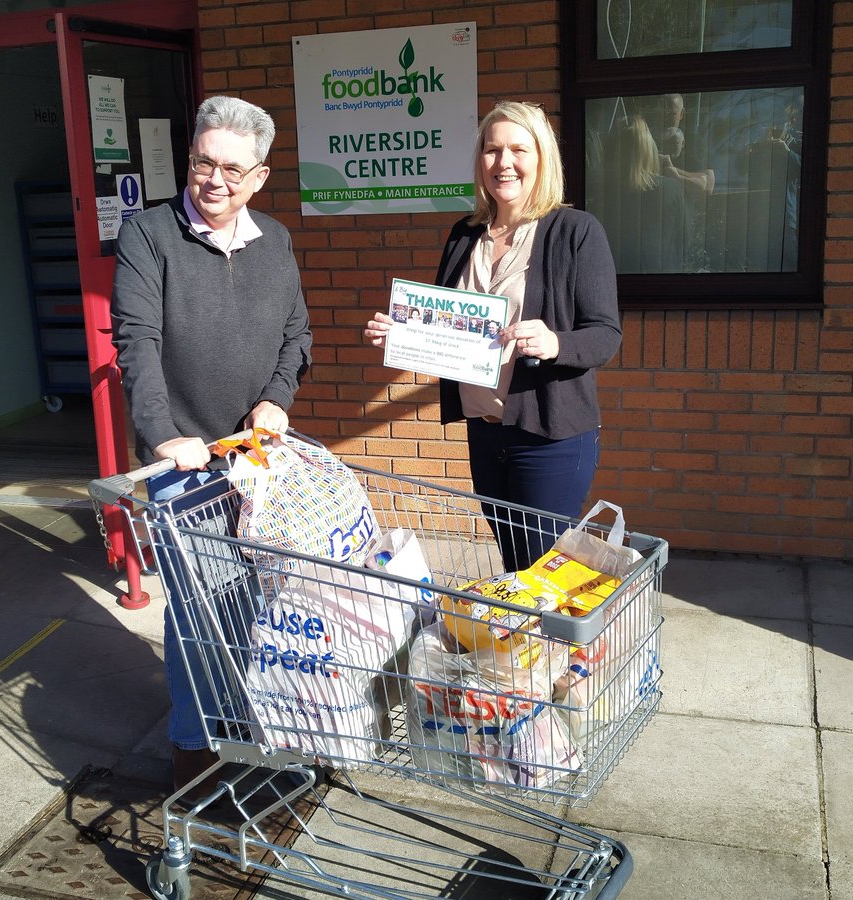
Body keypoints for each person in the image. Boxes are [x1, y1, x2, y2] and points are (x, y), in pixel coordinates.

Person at [110, 95, 312, 800]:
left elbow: (298, 336)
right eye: (203, 162)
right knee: (200, 609)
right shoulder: (150, 235)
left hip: (259, 458)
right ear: (188, 160)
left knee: (261, 597)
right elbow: (137, 342)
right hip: (188, 461)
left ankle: (259, 728)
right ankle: (196, 754)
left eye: (232, 168)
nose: (214, 179)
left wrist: (276, 400)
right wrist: (164, 435)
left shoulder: (276, 241)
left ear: (259, 177)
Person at [364, 100, 621, 572]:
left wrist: (556, 343)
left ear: (541, 158)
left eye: (518, 150)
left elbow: (606, 335)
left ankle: (549, 648)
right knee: (511, 564)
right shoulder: (464, 235)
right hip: (485, 434)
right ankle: (519, 647)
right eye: (492, 149)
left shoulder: (575, 232)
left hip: (549, 436)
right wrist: (405, 333)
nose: (504, 163)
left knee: (541, 571)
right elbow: (449, 323)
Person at [599, 115, 687, 273]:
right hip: (664, 277)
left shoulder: (609, 193)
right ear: (650, 151)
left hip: (620, 278)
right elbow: (683, 239)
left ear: (620, 154)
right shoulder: (671, 188)